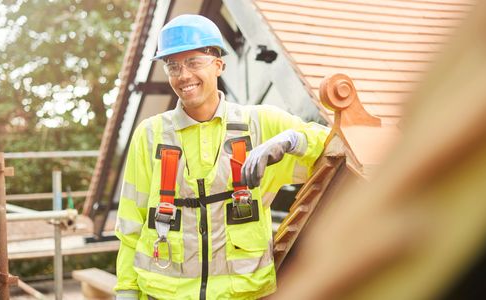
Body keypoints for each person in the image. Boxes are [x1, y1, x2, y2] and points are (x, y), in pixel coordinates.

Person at [114, 14, 328, 300]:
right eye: (173, 66)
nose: (183, 75)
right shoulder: (150, 135)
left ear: (219, 65)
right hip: (164, 295)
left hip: (242, 295)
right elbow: (131, 225)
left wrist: (291, 140)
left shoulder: (261, 125)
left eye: (193, 62)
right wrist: (126, 291)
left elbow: (337, 147)